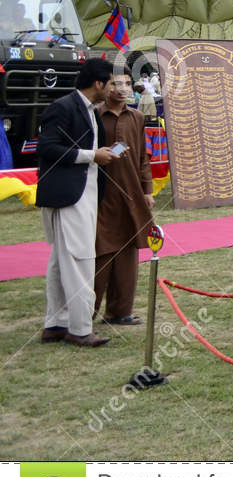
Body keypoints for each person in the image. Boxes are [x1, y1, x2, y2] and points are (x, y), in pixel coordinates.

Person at [35, 57, 119, 347]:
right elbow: (47, 148)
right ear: (98, 83)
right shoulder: (63, 107)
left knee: (61, 261)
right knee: (80, 258)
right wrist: (91, 155)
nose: (113, 88)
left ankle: (56, 324)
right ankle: (81, 329)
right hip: (69, 195)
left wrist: (99, 153)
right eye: (110, 82)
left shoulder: (91, 111)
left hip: (85, 193)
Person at [93, 72, 154, 326]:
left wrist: (147, 190)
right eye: (117, 83)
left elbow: (142, 157)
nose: (123, 88)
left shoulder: (137, 117)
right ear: (105, 87)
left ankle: (120, 312)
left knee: (129, 251)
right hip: (101, 192)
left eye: (128, 84)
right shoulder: (94, 115)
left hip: (131, 193)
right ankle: (85, 313)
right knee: (101, 251)